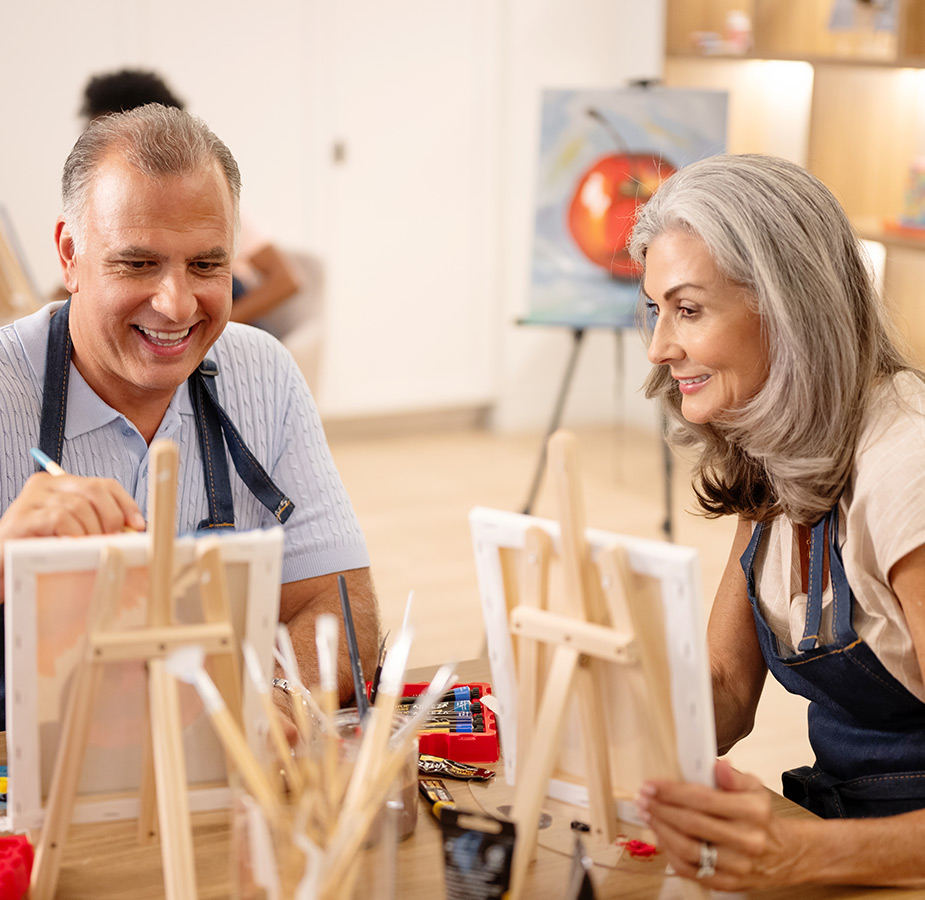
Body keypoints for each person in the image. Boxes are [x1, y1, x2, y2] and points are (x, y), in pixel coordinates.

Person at [0, 104, 378, 727]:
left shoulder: (265, 374)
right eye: (138, 263)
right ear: (70, 255)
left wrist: (282, 701)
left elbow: (342, 605)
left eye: (206, 265)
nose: (176, 305)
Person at [629, 154, 925, 889]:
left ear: (788, 306)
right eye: (654, 310)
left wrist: (801, 854)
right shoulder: (778, 441)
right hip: (850, 847)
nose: (659, 348)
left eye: (688, 310)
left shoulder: (904, 471)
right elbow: (726, 691)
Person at [78, 68, 301, 328]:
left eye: (203, 264)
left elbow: (286, 280)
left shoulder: (208, 205)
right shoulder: (102, 209)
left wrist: (215, 327)